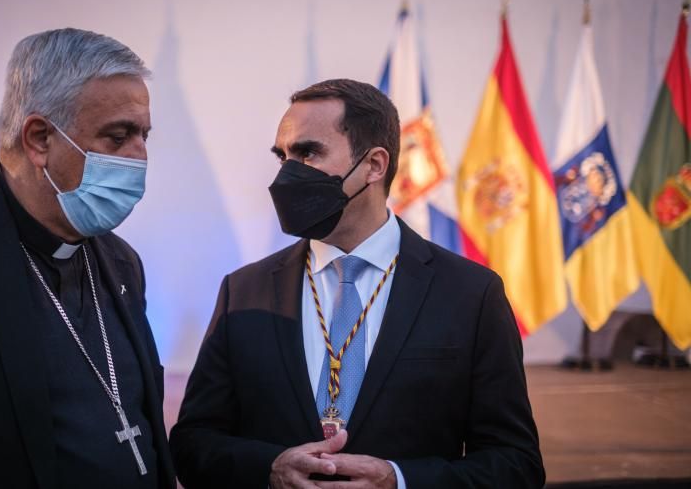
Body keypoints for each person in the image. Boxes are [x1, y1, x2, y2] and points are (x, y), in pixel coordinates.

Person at [170, 79, 545, 488]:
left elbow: (516, 464)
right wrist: (270, 469)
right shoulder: (243, 292)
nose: (287, 174)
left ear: (374, 165)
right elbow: (192, 445)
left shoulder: (471, 294)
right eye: (283, 156)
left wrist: (400, 482)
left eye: (308, 152)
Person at [0, 28, 175, 488]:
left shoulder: (122, 262)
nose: (140, 156)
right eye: (119, 136)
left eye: (144, 136)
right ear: (40, 138)